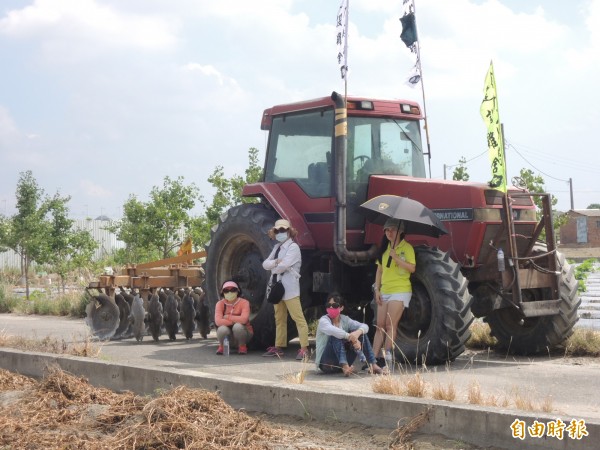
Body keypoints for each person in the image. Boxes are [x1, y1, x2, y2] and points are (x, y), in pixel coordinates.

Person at [261, 218, 310, 360]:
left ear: (289, 231)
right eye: (277, 230)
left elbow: (284, 265)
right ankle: (279, 346)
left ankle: (304, 348)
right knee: (279, 318)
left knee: (298, 318)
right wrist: (277, 262)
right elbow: (265, 264)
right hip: (277, 287)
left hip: (289, 289)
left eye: (283, 230)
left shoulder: (293, 247)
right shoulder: (277, 248)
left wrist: (274, 266)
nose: (280, 232)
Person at [372, 218, 416, 367]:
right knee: (380, 326)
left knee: (390, 325)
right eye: (387, 230)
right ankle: (373, 359)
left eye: (392, 229)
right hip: (385, 290)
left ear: (401, 231)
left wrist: (396, 258)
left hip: (400, 290)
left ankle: (387, 356)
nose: (389, 232)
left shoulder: (407, 248)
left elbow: (412, 268)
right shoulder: (384, 249)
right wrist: (377, 290)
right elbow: (379, 270)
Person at [315, 292, 384, 376]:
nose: (331, 307)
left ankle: (373, 365)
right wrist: (351, 338)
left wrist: (357, 333)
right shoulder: (324, 320)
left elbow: (365, 326)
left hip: (341, 361)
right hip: (327, 363)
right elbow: (333, 330)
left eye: (335, 305)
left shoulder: (345, 320)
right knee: (336, 335)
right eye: (328, 305)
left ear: (341, 308)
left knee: (361, 333)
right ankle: (345, 367)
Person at [214, 280, 253, 355]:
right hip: (229, 335)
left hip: (243, 334)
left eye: (233, 290)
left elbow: (244, 320)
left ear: (238, 291)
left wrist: (227, 317)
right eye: (226, 290)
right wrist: (235, 320)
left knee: (237, 327)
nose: (230, 293)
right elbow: (218, 321)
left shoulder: (244, 303)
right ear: (222, 292)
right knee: (222, 329)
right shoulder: (220, 304)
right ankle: (223, 346)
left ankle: (242, 346)